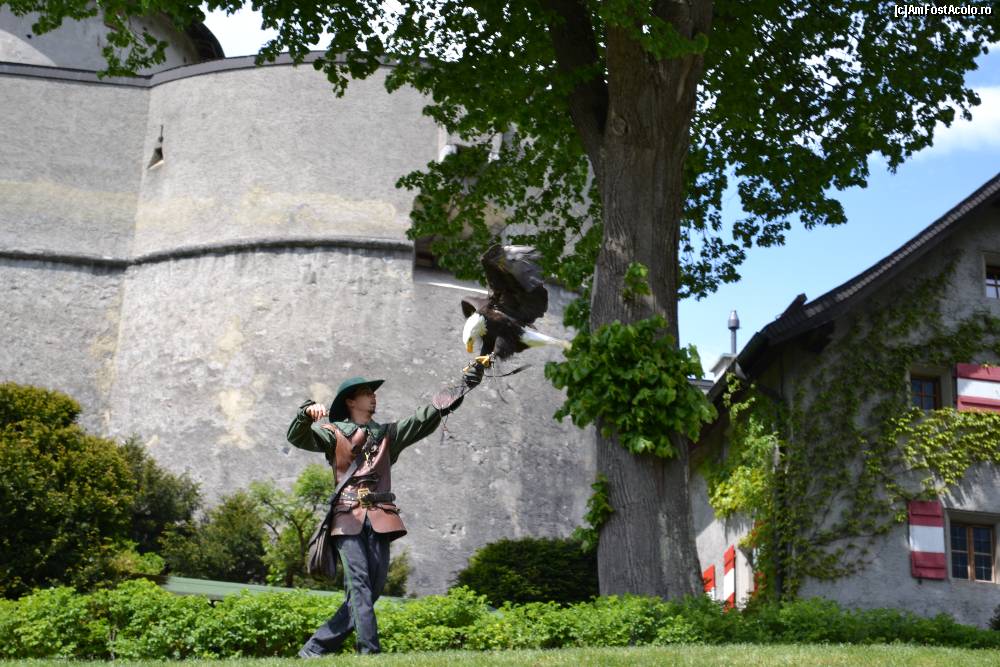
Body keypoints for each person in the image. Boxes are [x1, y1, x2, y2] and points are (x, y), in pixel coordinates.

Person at [287, 367, 482, 657]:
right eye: (367, 393)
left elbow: (426, 416)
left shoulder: (389, 434)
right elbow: (297, 437)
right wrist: (306, 412)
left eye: (373, 393)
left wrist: (464, 385)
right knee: (360, 586)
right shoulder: (333, 433)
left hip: (380, 516)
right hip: (346, 518)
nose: (373, 397)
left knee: (371, 590)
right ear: (350, 401)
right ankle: (369, 653)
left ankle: (314, 649)